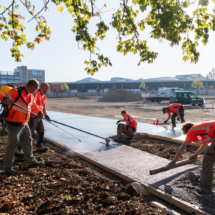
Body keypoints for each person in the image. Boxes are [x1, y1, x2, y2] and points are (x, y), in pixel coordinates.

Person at [0, 79, 44, 175]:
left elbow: (33, 106)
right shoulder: (16, 91)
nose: (37, 91)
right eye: (36, 88)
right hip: (14, 124)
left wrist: (39, 112)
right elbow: (2, 95)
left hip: (24, 124)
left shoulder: (30, 95)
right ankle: (7, 169)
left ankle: (32, 162)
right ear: (32, 86)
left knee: (28, 142)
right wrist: (5, 99)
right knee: (12, 146)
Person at [168, 121, 215, 190]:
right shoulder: (200, 129)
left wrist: (174, 160)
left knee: (208, 159)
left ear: (186, 131)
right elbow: (204, 145)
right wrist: (195, 155)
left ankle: (206, 187)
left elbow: (182, 148)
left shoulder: (191, 131)